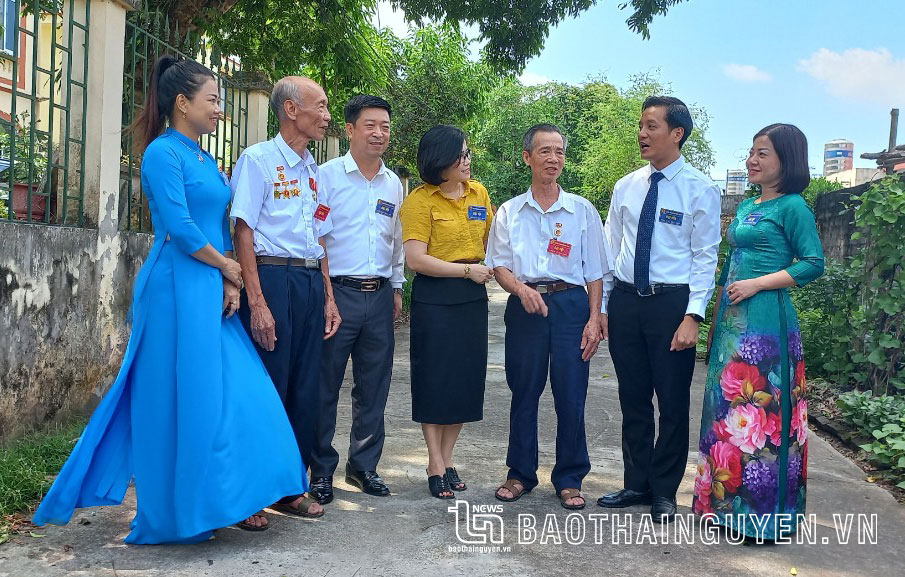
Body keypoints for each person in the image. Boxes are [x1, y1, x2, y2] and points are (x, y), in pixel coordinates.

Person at [32, 56, 306, 542]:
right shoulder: (162, 154)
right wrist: (227, 267)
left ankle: (227, 497)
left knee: (239, 392)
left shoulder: (204, 159)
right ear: (182, 103)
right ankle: (183, 511)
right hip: (174, 286)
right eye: (212, 100)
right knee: (180, 399)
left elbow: (218, 224)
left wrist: (229, 279)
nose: (219, 109)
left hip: (210, 282)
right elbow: (179, 227)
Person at [692, 124, 824, 540]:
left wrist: (758, 284)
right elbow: (730, 265)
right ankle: (722, 509)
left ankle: (762, 518)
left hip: (767, 326)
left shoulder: (793, 207)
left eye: (762, 153)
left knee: (763, 417)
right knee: (726, 414)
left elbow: (813, 263)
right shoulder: (749, 205)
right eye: (751, 152)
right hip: (731, 325)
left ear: (787, 160)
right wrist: (716, 316)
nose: (752, 160)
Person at [598, 96, 721, 522]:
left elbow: (705, 257)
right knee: (632, 397)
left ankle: (664, 491)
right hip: (626, 302)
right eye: (641, 126)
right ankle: (636, 483)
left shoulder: (700, 189)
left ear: (677, 133)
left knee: (671, 401)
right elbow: (610, 247)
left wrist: (693, 315)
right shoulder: (626, 186)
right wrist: (605, 306)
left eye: (652, 126)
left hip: (671, 306)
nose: (642, 134)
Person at [230, 76, 338, 518]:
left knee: (304, 387)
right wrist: (256, 302)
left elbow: (321, 238)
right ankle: (250, 493)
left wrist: (329, 296)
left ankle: (290, 487)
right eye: (321, 106)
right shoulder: (258, 161)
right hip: (273, 279)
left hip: (310, 281)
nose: (327, 116)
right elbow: (243, 231)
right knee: (266, 386)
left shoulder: (315, 171)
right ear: (291, 110)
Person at [487, 123, 607, 510]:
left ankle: (570, 477)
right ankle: (520, 473)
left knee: (571, 393)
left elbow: (595, 272)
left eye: (559, 151)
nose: (554, 159)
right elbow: (500, 266)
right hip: (526, 307)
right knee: (524, 391)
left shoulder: (581, 210)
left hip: (571, 306)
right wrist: (522, 290)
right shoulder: (509, 211)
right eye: (545, 151)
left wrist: (594, 319)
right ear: (527, 157)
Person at [309, 95, 404, 503]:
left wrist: (396, 287)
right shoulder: (326, 176)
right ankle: (320, 470)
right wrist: (327, 295)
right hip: (337, 294)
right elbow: (317, 239)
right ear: (350, 129)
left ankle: (363, 466)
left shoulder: (393, 183)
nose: (379, 133)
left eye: (385, 126)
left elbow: (395, 240)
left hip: (379, 296)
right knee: (325, 384)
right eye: (370, 125)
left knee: (374, 386)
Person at [399, 125, 494, 499]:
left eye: (468, 154)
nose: (467, 161)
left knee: (464, 381)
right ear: (441, 160)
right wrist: (467, 271)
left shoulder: (479, 193)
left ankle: (449, 457)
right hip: (435, 297)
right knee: (435, 379)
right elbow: (416, 260)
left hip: (471, 299)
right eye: (461, 155)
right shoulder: (420, 201)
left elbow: (490, 240)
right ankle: (434, 461)